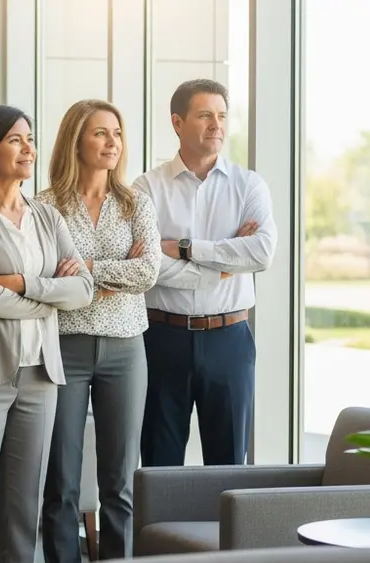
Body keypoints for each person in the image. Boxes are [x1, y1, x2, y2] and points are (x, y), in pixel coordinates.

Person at [0, 103, 94, 563]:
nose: (28, 148)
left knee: (25, 505)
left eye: (29, 138)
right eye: (15, 140)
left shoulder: (46, 215)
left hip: (41, 375)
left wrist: (27, 285)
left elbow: (84, 288)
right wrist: (51, 298)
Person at [36, 99, 162, 562]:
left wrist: (86, 270)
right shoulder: (45, 207)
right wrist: (109, 277)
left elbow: (148, 271)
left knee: (120, 480)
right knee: (61, 479)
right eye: (100, 133)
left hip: (126, 349)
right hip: (63, 346)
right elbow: (46, 277)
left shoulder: (136, 203)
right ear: (76, 140)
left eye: (117, 134)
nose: (112, 143)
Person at [135, 79, 276, 467]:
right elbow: (147, 264)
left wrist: (184, 248)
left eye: (222, 115)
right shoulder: (146, 188)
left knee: (229, 462)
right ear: (177, 122)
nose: (217, 124)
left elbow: (261, 252)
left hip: (229, 339)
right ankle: (160, 532)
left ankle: (228, 533)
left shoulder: (249, 186)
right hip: (161, 338)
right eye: (205, 115)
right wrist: (225, 264)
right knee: (159, 465)